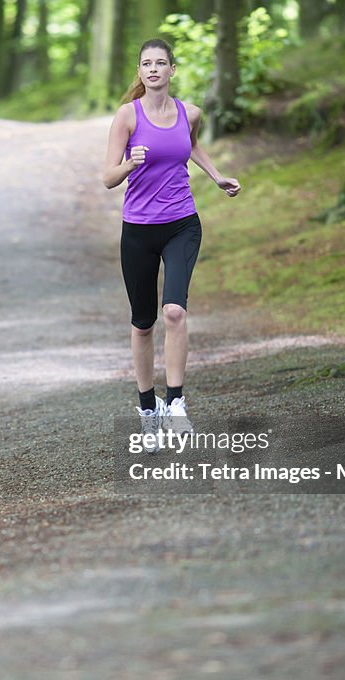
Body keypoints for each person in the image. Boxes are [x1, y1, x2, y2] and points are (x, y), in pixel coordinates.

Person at [102, 38, 240, 449]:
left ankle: (176, 404)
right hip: (138, 230)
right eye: (146, 64)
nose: (154, 69)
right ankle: (149, 410)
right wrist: (131, 162)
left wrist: (216, 176)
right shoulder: (127, 116)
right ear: (140, 72)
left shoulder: (189, 112)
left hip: (182, 223)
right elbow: (108, 177)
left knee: (175, 312)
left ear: (172, 70)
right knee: (143, 323)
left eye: (161, 63)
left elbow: (191, 143)